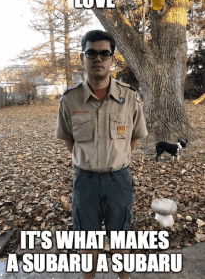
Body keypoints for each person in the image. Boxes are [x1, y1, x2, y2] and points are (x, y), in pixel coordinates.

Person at [56, 30, 148, 279]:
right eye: (91, 53)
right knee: (88, 243)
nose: (98, 59)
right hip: (84, 182)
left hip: (119, 180)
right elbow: (67, 138)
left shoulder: (129, 97)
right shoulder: (70, 100)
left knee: (121, 241)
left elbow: (136, 135)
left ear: (112, 58)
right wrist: (85, 160)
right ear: (83, 57)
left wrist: (117, 158)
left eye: (104, 53)